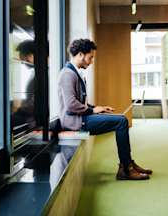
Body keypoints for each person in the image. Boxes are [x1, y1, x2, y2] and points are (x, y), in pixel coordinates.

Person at [58, 38, 153, 180]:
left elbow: (79, 102)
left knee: (120, 119)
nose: (91, 61)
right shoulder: (67, 74)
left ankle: (127, 164)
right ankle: (126, 169)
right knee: (121, 121)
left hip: (80, 118)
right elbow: (71, 104)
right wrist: (92, 111)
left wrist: (96, 107)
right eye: (90, 57)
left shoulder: (75, 73)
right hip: (74, 122)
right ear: (80, 55)